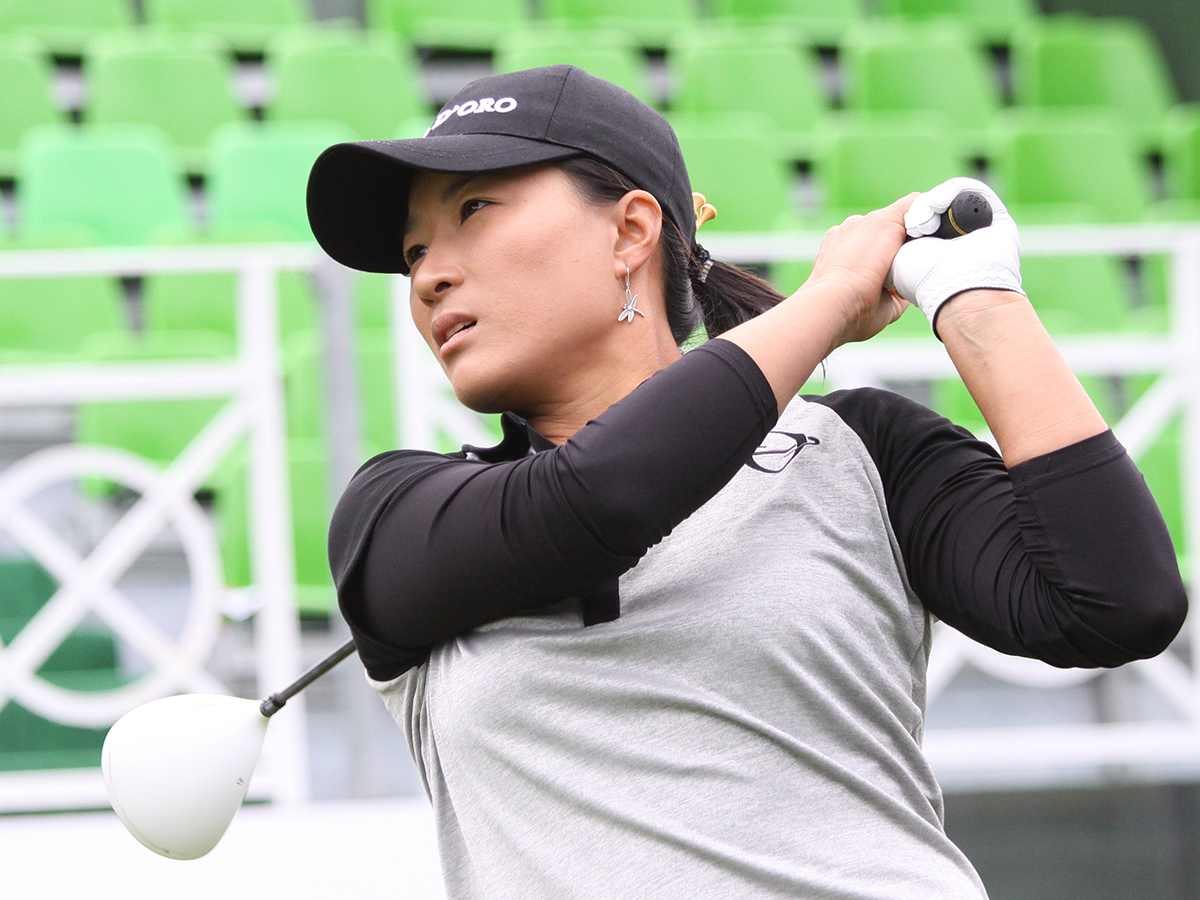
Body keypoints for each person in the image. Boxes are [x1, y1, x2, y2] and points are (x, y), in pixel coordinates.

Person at [306, 66, 1186, 899]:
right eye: (415, 249)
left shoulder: (859, 446)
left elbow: (1117, 603)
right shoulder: (395, 514)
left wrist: (975, 291)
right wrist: (829, 302)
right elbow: (599, 498)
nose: (429, 275)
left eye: (473, 210)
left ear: (630, 231)